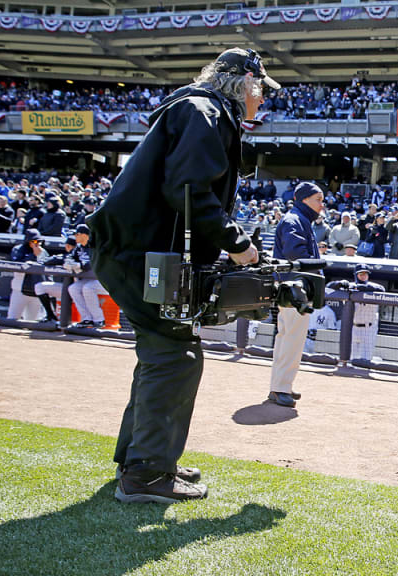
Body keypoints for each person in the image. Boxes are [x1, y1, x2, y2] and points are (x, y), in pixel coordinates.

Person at [87, 47, 273, 503]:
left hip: (136, 251)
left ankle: (144, 460)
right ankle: (147, 474)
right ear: (245, 83)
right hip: (140, 254)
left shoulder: (196, 106)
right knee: (175, 356)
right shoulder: (203, 110)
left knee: (163, 353)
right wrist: (237, 244)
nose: (263, 100)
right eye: (262, 90)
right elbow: (187, 190)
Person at [267, 182, 323, 409]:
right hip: (294, 288)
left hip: (293, 287)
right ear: (304, 199)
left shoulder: (300, 219)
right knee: (291, 338)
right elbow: (295, 254)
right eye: (318, 199)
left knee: (286, 337)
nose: (322, 204)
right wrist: (319, 261)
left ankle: (281, 385)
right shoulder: (294, 220)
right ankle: (280, 388)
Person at [328, 266, 385, 361]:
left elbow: (381, 289)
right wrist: (339, 283)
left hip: (369, 328)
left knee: (366, 359)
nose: (363, 276)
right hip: (352, 327)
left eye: (365, 274)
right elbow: (328, 287)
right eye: (361, 274)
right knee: (350, 358)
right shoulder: (348, 287)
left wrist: (357, 287)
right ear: (356, 275)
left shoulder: (374, 287)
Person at [64, 224, 107, 328]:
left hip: (104, 280)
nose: (75, 236)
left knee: (88, 288)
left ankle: (99, 320)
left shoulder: (96, 245)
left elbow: (95, 261)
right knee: (73, 288)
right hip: (89, 279)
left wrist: (81, 265)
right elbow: (71, 256)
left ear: (84, 235)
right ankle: (87, 318)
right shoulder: (79, 248)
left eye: (77, 234)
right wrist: (69, 262)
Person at [7, 228, 48, 321]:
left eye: (39, 241)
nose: (37, 243)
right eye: (34, 241)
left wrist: (38, 255)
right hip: (19, 290)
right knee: (12, 319)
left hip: (36, 291)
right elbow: (17, 264)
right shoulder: (18, 249)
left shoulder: (43, 252)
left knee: (32, 321)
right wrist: (33, 255)